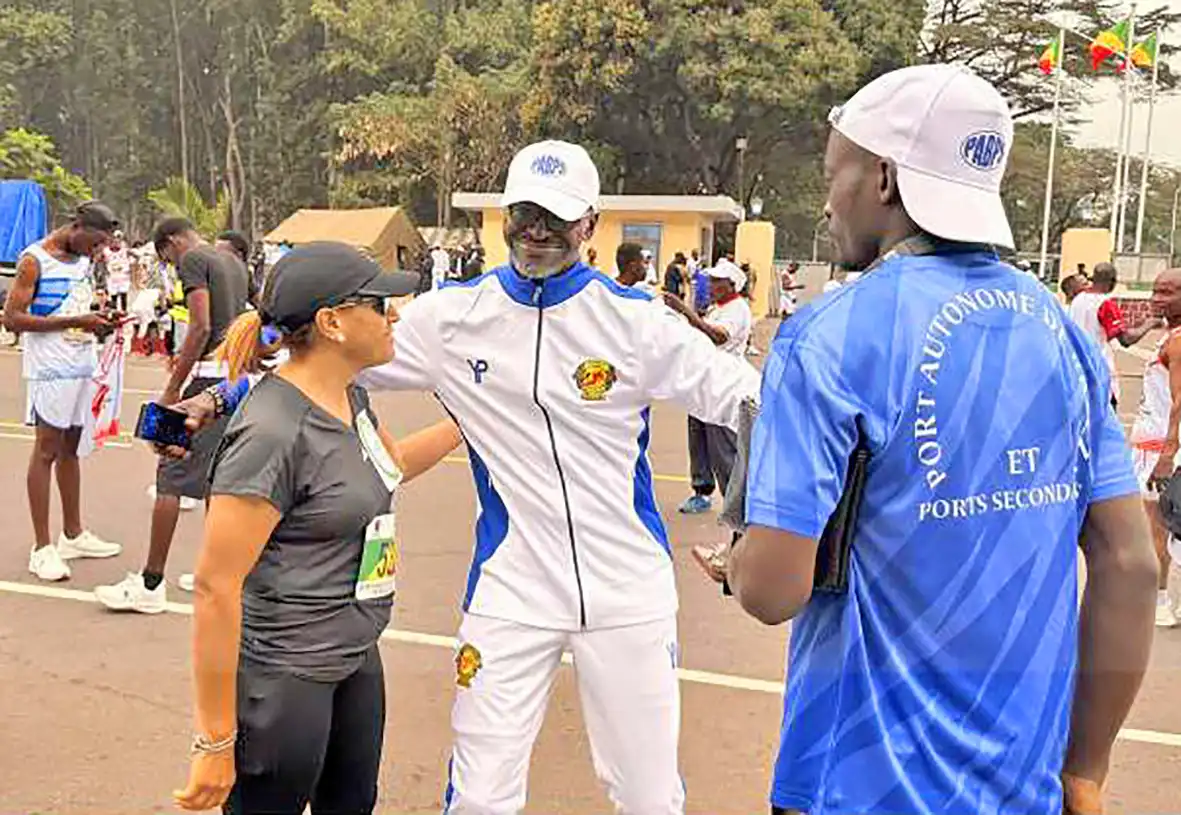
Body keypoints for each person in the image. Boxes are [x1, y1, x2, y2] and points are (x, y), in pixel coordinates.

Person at [171, 139, 761, 815]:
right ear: (505, 216)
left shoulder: (636, 322)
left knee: (648, 795)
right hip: (511, 589)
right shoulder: (450, 318)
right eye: (525, 213)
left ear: (589, 225)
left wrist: (750, 527)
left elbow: (751, 403)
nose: (537, 230)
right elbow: (319, 365)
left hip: (628, 590)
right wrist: (217, 397)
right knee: (481, 796)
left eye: (556, 217)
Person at [719, 64, 1157, 815]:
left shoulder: (828, 336)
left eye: (833, 176)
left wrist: (738, 561)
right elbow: (1131, 564)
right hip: (1021, 783)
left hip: (857, 784)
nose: (827, 203)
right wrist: (1083, 769)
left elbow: (771, 589)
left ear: (885, 179)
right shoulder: (1062, 334)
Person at [172, 243, 459, 814]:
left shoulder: (350, 397)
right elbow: (215, 586)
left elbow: (391, 464)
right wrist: (216, 741)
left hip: (355, 654)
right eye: (378, 304)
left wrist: (471, 423)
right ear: (332, 323)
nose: (393, 316)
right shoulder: (272, 434)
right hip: (286, 675)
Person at [96, 217, 249, 612]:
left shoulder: (194, 260)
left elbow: (201, 326)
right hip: (233, 380)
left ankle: (151, 583)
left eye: (167, 256)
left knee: (168, 475)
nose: (170, 263)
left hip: (202, 379)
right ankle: (214, 573)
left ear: (172, 241)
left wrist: (172, 389)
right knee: (218, 480)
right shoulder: (232, 261)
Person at [1, 201, 123, 580]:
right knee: (46, 451)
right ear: (77, 227)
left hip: (81, 364)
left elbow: (79, 307)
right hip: (50, 370)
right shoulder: (34, 260)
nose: (98, 251)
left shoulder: (83, 260)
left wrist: (101, 320)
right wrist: (76, 320)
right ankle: (42, 548)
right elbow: (12, 319)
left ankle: (73, 534)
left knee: (71, 449)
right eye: (96, 242)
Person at [665, 259, 752, 517]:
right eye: (711, 280)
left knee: (722, 447)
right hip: (703, 382)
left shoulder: (737, 309)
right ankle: (701, 491)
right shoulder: (717, 307)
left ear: (732, 285)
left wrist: (687, 313)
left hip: (724, 387)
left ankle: (735, 504)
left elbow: (718, 336)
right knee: (698, 441)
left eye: (717, 282)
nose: (711, 286)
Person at [1128, 267, 1181, 628]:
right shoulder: (1168, 335)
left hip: (1157, 447)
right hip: (1150, 442)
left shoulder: (1177, 341)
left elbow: (1179, 401)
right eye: (1156, 291)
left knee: (1157, 526)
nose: (1157, 298)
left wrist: (1166, 454)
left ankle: (1161, 600)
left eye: (1168, 292)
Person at [1069, 261, 1162, 409]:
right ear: (1112, 281)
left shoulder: (1078, 300)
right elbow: (1126, 340)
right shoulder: (1105, 304)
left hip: (1076, 366)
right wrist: (1151, 322)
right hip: (1099, 369)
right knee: (1105, 412)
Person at [104, 231, 133, 313]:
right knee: (113, 298)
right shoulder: (106, 251)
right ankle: (114, 313)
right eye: (114, 240)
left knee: (124, 296)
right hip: (112, 279)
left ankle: (124, 312)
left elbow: (136, 256)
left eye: (118, 240)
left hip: (123, 278)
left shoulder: (125, 250)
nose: (116, 242)